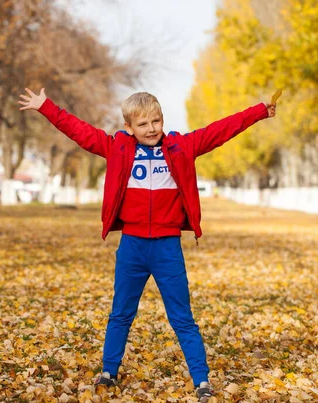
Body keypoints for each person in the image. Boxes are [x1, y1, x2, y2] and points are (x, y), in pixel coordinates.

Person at [19, 88, 276, 401]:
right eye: (143, 124)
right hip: (132, 246)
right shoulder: (117, 148)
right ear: (129, 127)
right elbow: (80, 131)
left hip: (168, 248)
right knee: (121, 313)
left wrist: (260, 110)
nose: (152, 128)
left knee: (182, 317)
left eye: (156, 121)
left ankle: (201, 380)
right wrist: (46, 106)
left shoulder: (183, 146)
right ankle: (109, 371)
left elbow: (222, 129)